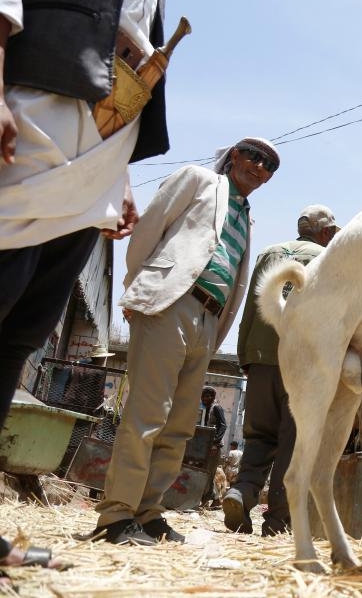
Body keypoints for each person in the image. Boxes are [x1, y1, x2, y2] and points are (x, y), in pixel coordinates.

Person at [0, 0, 172, 572]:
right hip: (25, 144)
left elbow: (122, 76)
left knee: (17, 338)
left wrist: (120, 178)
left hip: (90, 175)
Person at [88, 136, 279, 545]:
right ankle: (117, 515)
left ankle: (148, 512)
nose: (260, 167)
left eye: (270, 166)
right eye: (255, 155)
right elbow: (147, 232)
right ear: (233, 156)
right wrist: (140, 290)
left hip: (208, 320)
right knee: (146, 414)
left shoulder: (246, 218)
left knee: (178, 426)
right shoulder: (197, 180)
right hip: (171, 302)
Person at [224, 204, 339, 536]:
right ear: (326, 232)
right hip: (301, 362)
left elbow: (250, 307)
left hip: (260, 357)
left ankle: (242, 492)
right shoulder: (329, 258)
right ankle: (276, 521)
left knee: (258, 435)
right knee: (295, 441)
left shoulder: (268, 254)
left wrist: (245, 354)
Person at [198, 385, 227, 507]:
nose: (204, 398)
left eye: (207, 396)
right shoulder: (205, 408)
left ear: (213, 397)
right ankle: (211, 498)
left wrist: (215, 443)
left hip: (214, 446)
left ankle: (213, 499)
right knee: (206, 473)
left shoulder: (216, 408)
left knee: (210, 472)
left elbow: (223, 425)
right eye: (203, 396)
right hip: (206, 445)